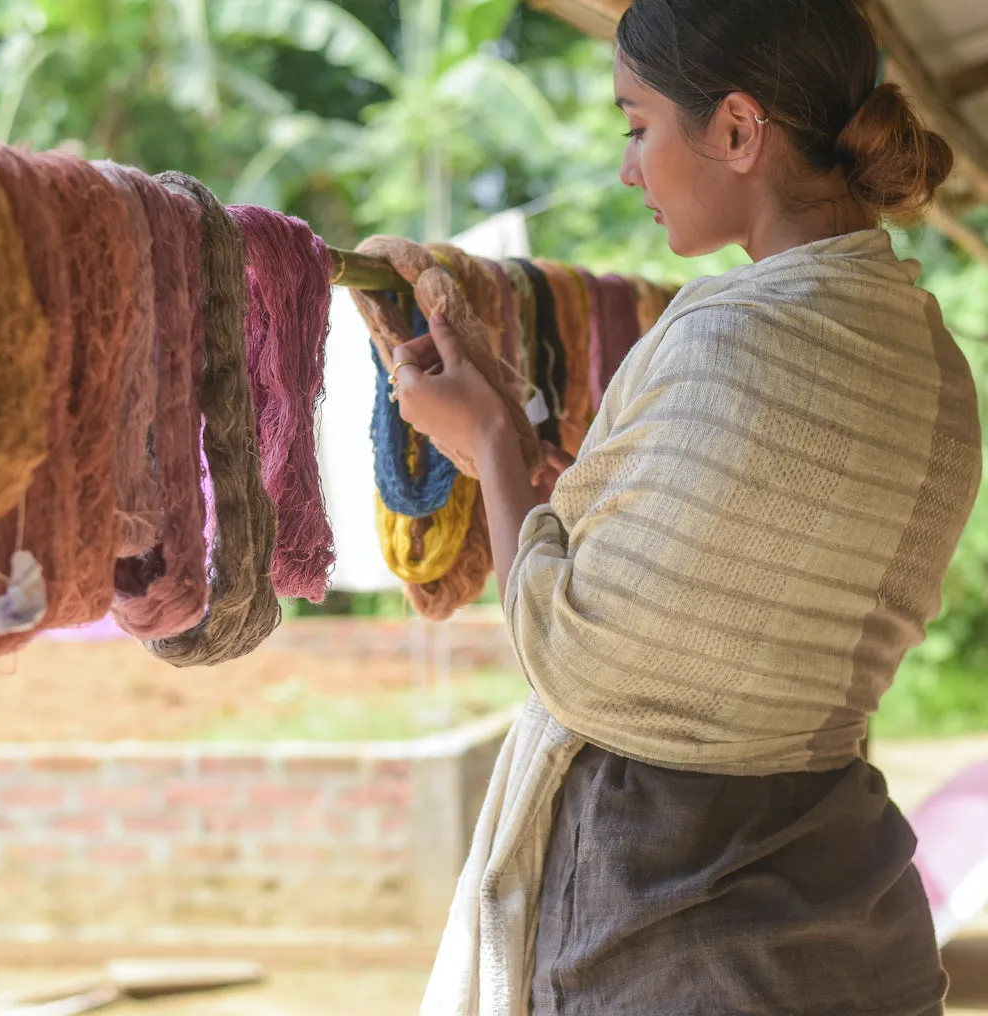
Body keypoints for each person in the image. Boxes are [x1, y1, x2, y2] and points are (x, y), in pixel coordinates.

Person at [392, 1, 983, 1013]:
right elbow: (668, 555)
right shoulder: (929, 361)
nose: (627, 167)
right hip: (844, 912)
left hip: (668, 925)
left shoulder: (728, 337)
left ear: (737, 131)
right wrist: (503, 417)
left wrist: (490, 442)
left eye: (634, 123)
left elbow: (578, 659)